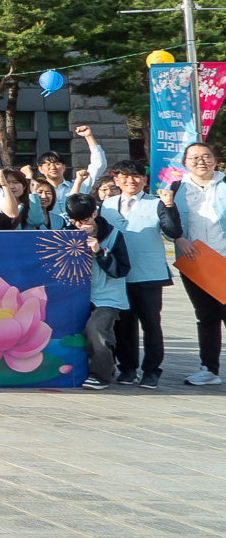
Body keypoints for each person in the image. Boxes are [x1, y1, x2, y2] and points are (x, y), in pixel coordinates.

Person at [101, 158, 182, 388]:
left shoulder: (156, 202)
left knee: (151, 325)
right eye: (125, 176)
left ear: (144, 179)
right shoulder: (105, 204)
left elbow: (173, 232)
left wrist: (169, 206)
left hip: (149, 274)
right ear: (117, 180)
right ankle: (127, 369)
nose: (131, 180)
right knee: (124, 325)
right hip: (118, 275)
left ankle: (151, 371)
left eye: (136, 176)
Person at [170, 142, 226, 385]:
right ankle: (209, 369)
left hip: (224, 260)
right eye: (194, 157)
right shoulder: (175, 188)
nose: (201, 161)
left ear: (216, 160)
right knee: (206, 316)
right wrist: (178, 238)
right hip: (195, 262)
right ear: (185, 162)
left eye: (206, 156)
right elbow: (166, 219)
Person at [68, 193, 130, 390]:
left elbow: (121, 270)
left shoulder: (114, 235)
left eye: (84, 220)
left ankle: (100, 375)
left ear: (94, 214)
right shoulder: (66, 234)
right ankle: (91, 367)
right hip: (78, 296)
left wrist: (100, 252)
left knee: (97, 329)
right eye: (75, 221)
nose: (80, 225)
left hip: (108, 296)